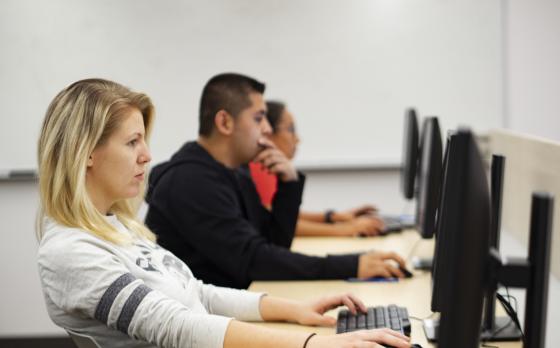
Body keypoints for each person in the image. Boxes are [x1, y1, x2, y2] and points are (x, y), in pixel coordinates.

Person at [35, 78, 411, 348]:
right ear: (86, 152)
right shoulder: (69, 251)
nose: (147, 155)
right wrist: (312, 344)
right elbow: (176, 326)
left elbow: (197, 294)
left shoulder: (115, 227)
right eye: (133, 141)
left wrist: (294, 310)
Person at [145, 73, 408, 290]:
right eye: (259, 119)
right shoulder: (190, 182)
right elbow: (256, 260)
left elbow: (274, 243)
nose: (267, 130)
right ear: (225, 122)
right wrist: (352, 265)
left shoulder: (235, 174)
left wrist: (288, 185)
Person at [249, 100, 384, 237]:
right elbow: (275, 223)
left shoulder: (265, 166)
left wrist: (333, 217)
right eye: (291, 130)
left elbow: (282, 214)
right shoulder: (259, 167)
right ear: (268, 133)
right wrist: (347, 229)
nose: (297, 139)